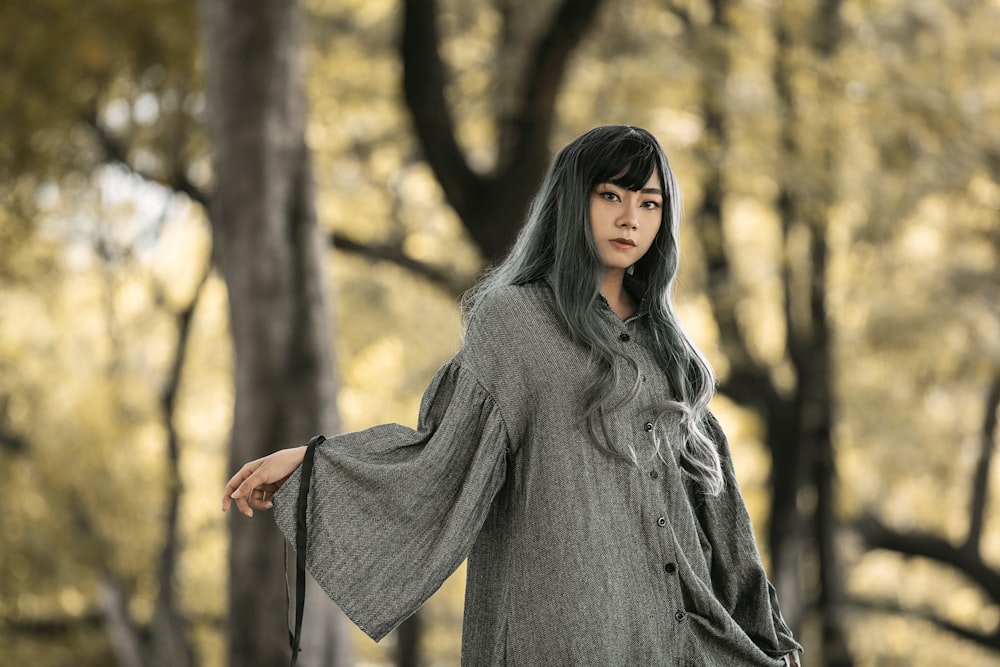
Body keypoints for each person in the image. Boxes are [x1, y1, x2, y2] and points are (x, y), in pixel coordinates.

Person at [223, 125, 804, 666]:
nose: (631, 218)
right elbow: (439, 459)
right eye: (611, 197)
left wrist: (768, 633)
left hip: (684, 639)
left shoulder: (671, 348)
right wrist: (315, 465)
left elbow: (720, 513)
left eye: (649, 203)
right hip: (568, 634)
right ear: (572, 202)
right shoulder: (514, 321)